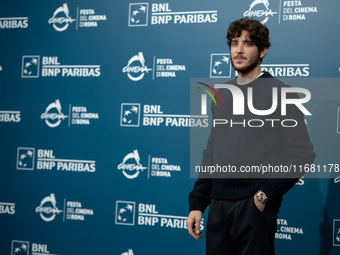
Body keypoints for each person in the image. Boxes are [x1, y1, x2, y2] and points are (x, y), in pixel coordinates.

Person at [186, 17, 316, 255]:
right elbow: (212, 152)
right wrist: (198, 203)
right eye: (234, 43)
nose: (239, 49)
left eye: (247, 43)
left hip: (254, 207)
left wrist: (265, 194)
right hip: (218, 206)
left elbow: (302, 154)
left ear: (263, 50)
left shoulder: (281, 93)